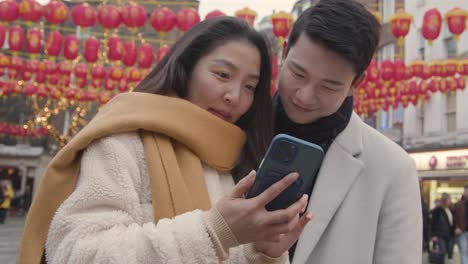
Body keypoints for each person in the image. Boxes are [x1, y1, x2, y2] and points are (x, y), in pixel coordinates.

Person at [18, 17, 312, 264]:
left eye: (249, 87)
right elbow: (76, 253)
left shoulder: (238, 161)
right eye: (222, 74)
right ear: (186, 68)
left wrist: (265, 254)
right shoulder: (124, 140)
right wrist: (213, 232)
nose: (234, 96)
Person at [272, 0, 422, 263]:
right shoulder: (235, 130)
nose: (305, 96)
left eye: (328, 86)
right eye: (298, 73)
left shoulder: (392, 168)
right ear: (284, 53)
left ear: (357, 83)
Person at [430, 193, 455, 261]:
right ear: (445, 200)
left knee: (450, 252)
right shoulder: (437, 211)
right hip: (440, 235)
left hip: (450, 235)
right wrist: (433, 235)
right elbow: (433, 223)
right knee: (442, 252)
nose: (450, 201)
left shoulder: (451, 210)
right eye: (449, 199)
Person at [453, 185, 468, 264]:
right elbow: (454, 218)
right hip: (462, 231)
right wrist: (457, 227)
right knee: (464, 252)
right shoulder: (458, 204)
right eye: (466, 190)